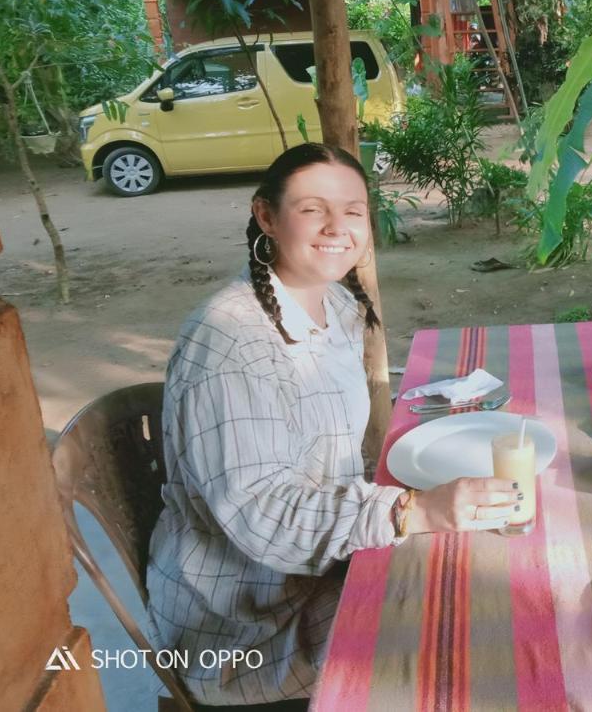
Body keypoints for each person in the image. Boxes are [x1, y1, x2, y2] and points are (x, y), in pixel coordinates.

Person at [147, 143, 522, 705]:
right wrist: (409, 510)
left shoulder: (340, 308)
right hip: (246, 618)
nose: (336, 227)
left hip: (313, 565)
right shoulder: (230, 340)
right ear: (266, 216)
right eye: (311, 209)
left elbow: (336, 458)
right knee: (467, 638)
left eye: (353, 211)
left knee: (479, 570)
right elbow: (260, 512)